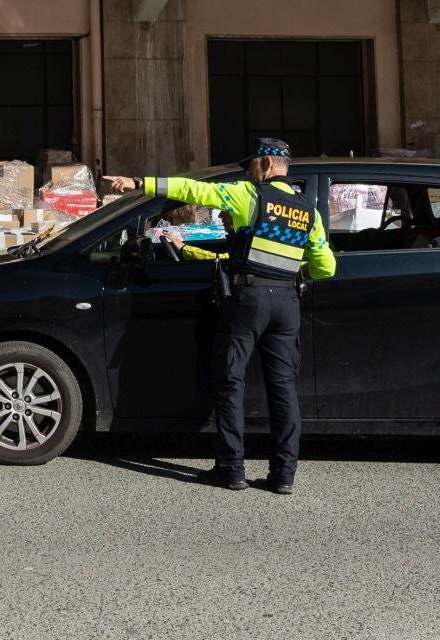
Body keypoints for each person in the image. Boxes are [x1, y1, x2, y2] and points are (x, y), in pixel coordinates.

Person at [104, 139, 335, 493]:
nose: (248, 172)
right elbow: (326, 267)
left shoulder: (249, 194)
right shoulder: (308, 210)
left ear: (267, 164)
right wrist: (295, 273)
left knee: (231, 382)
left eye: (252, 165)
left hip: (248, 301)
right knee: (283, 389)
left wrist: (139, 183)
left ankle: (231, 468)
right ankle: (283, 476)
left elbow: (193, 189)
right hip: (286, 302)